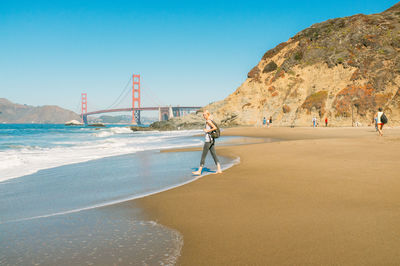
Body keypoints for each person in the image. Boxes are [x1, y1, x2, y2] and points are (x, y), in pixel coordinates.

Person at [192, 110, 222, 175]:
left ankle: (199, 171)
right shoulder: (208, 121)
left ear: (208, 115)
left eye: (205, 115)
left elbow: (215, 127)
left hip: (208, 141)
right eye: (203, 115)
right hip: (211, 140)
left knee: (203, 156)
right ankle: (219, 169)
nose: (204, 116)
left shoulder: (208, 121)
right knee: (214, 155)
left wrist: (207, 130)